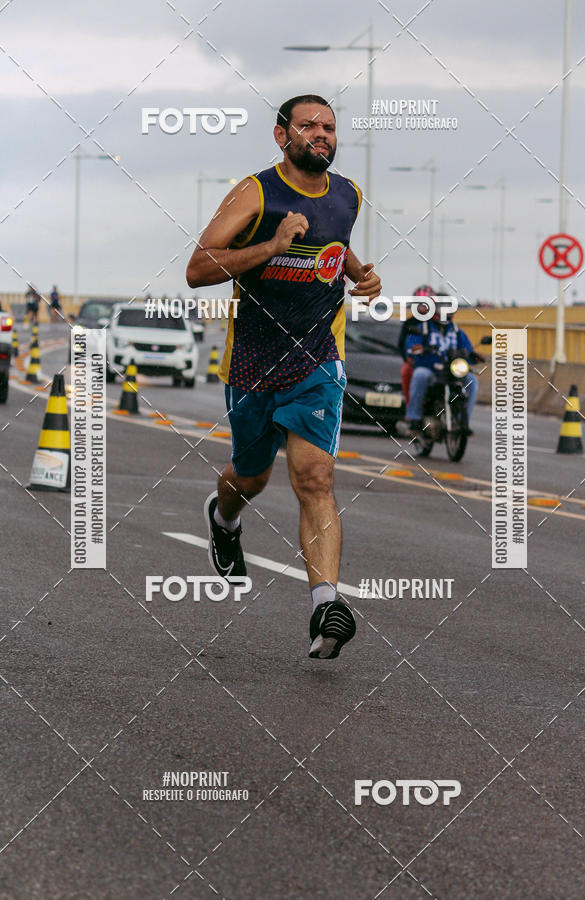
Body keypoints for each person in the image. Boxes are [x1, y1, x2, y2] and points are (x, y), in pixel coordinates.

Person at [186, 94, 381, 660]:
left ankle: (326, 603)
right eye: (308, 126)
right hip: (252, 362)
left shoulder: (349, 196)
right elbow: (199, 268)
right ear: (281, 136)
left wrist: (361, 275)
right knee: (251, 477)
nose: (321, 134)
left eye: (329, 127)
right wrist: (271, 245)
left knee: (315, 477)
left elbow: (334, 247)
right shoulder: (256, 192)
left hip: (318, 360)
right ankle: (223, 519)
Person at [404, 304, 483, 433]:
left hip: (451, 370)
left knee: (472, 381)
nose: (445, 312)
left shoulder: (457, 331)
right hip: (430, 368)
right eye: (442, 308)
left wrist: (474, 356)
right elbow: (411, 347)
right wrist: (417, 349)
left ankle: (462, 422)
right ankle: (414, 418)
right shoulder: (423, 328)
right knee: (420, 375)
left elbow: (468, 350)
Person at [397, 285, 435, 405]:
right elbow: (401, 344)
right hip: (416, 361)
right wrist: (408, 358)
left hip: (436, 361)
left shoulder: (437, 322)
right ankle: (410, 408)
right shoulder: (410, 323)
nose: (422, 307)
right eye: (419, 303)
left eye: (426, 303)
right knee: (406, 371)